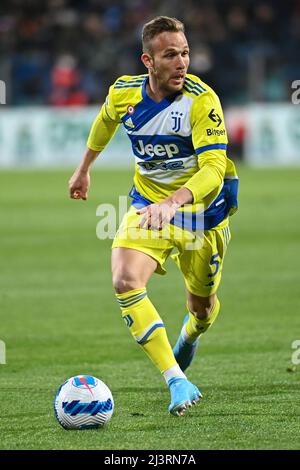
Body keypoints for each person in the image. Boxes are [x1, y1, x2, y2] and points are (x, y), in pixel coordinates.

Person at [69, 16, 238, 416]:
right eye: (170, 55)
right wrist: (84, 168)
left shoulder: (202, 102)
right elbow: (106, 120)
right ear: (148, 60)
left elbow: (214, 170)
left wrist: (174, 202)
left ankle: (190, 337)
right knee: (124, 279)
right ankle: (176, 380)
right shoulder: (125, 93)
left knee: (201, 308)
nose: (181, 63)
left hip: (202, 216)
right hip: (148, 206)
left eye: (185, 53)